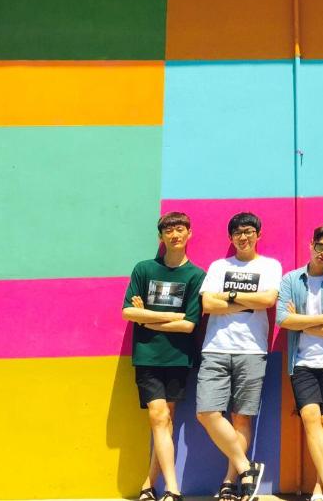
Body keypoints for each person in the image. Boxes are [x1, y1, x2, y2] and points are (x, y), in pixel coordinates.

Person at [195, 212, 280, 501]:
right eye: (237, 233)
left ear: (258, 234)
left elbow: (267, 300)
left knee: (241, 418)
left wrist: (228, 297)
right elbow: (208, 303)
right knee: (206, 412)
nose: (243, 237)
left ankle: (230, 483)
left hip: (252, 350)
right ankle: (247, 467)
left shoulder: (270, 265)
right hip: (215, 348)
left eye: (248, 232)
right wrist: (247, 300)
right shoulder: (219, 266)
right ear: (230, 238)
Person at [121, 212, 205, 501]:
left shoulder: (196, 275)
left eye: (180, 229)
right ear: (161, 236)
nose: (174, 235)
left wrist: (147, 317)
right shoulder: (144, 269)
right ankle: (172, 488)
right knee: (158, 417)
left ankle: (149, 483)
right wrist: (172, 316)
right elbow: (128, 312)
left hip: (179, 357)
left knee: (166, 421)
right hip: (147, 356)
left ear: (189, 233)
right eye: (168, 230)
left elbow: (189, 325)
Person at [277, 224, 323, 501]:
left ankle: (321, 487)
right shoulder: (291, 280)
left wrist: (301, 321)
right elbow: (283, 319)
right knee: (310, 417)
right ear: (311, 244)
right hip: (302, 363)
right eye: (319, 246)